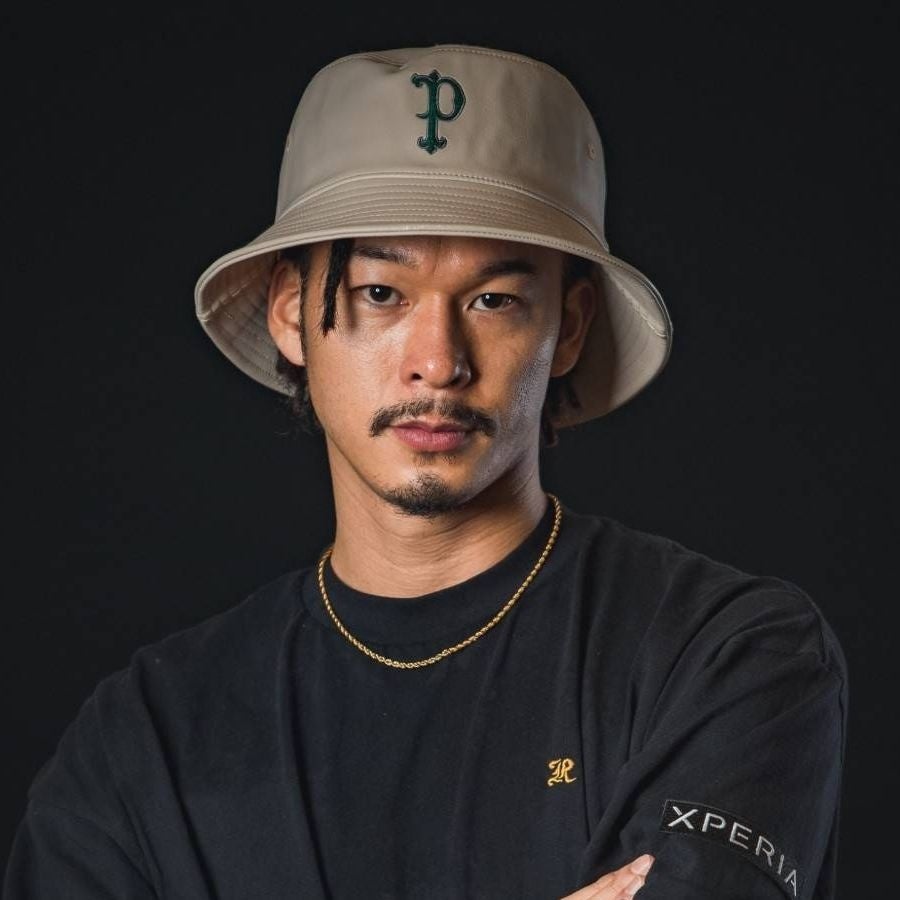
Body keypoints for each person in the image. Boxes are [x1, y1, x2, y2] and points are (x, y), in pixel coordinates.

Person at [4, 44, 847, 900]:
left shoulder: (725, 654)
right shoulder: (145, 739)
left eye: (494, 299)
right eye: (381, 293)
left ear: (569, 327)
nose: (438, 363)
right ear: (292, 312)